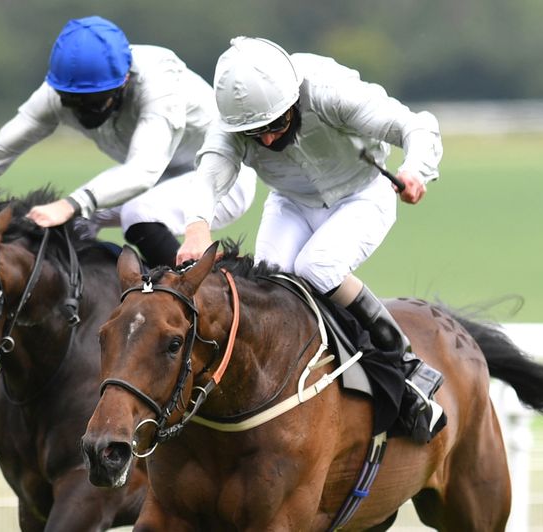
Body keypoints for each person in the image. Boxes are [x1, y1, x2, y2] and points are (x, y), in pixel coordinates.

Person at [176, 37, 445, 443]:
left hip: (363, 193)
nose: (267, 142)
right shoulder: (234, 119)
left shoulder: (328, 89)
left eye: (275, 127)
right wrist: (197, 226)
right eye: (255, 134)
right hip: (291, 202)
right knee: (268, 290)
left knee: (316, 267)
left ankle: (405, 364)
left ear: (293, 102)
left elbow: (415, 125)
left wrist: (415, 170)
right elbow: (210, 175)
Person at [0, 16, 256, 267]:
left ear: (124, 82)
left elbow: (143, 172)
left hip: (223, 178)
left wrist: (73, 202)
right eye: (72, 102)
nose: (81, 112)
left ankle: (196, 300)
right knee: (68, 224)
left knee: (136, 212)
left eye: (94, 102)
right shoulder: (58, 93)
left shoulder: (159, 84)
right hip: (164, 178)